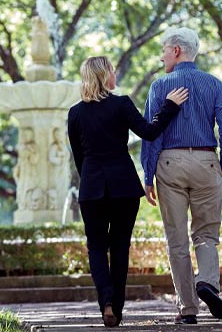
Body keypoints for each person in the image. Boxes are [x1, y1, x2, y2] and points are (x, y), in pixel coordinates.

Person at [67, 56, 189, 327]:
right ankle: (117, 312)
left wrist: (90, 178)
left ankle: (106, 302)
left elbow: (78, 158)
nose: (114, 75)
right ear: (103, 75)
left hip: (92, 189)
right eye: (111, 70)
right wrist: (170, 105)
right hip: (123, 187)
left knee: (96, 248)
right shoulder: (121, 104)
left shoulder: (75, 113)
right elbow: (149, 131)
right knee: (120, 248)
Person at [141, 27, 222, 325]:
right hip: (207, 160)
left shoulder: (160, 86)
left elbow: (151, 135)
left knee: (177, 240)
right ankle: (207, 282)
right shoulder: (213, 83)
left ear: (177, 51)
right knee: (207, 234)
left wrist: (148, 175)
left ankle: (188, 310)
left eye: (163, 50)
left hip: (170, 163)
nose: (161, 56)